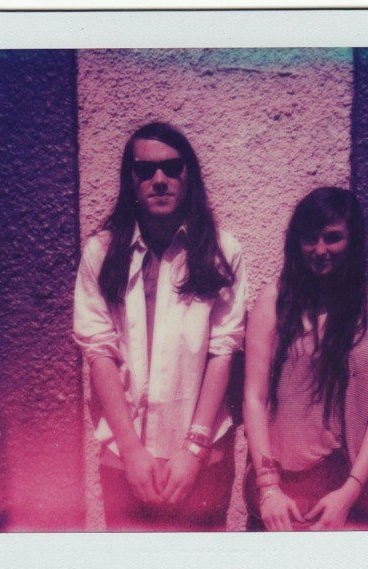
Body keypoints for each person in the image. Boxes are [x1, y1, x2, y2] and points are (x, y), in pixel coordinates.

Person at [74, 122, 246, 531]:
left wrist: (193, 451)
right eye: (145, 169)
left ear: (189, 176)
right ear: (130, 179)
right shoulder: (100, 252)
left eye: (172, 167)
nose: (160, 179)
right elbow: (98, 352)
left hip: (202, 457)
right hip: (125, 458)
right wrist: (132, 452)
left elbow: (222, 351)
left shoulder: (223, 251)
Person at [243, 187, 368, 531]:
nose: (319, 250)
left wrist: (349, 493)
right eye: (309, 238)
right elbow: (254, 398)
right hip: (281, 488)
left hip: (347, 489)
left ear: (353, 240)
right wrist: (268, 489)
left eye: (332, 237)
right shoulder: (274, 302)